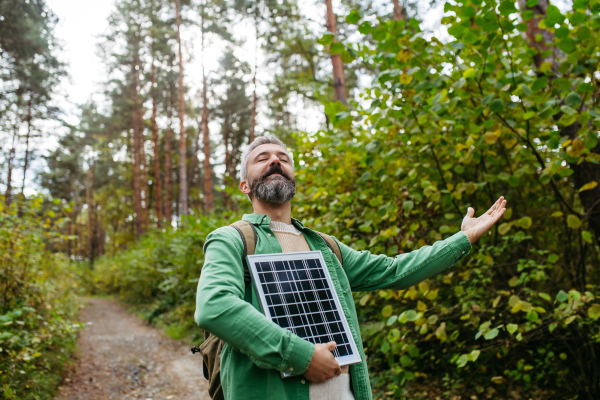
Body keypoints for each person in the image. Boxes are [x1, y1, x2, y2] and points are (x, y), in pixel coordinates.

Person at [195, 135, 506, 400]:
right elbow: (215, 306)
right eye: (262, 158)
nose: (275, 161)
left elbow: (395, 270)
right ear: (245, 186)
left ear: (293, 179)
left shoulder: (325, 246)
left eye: (283, 158)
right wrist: (300, 357)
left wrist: (463, 238)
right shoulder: (231, 239)